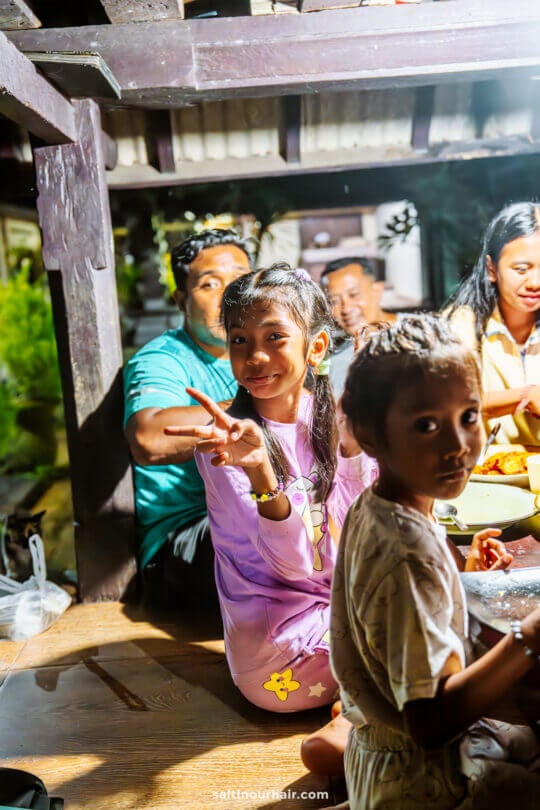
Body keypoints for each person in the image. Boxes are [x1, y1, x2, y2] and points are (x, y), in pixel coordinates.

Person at [329, 314, 540, 809]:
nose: (457, 445)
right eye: (426, 425)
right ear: (369, 433)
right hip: (425, 784)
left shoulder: (378, 505)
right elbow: (429, 722)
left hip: (381, 761)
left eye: (469, 416)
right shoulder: (408, 551)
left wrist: (458, 580)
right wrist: (528, 638)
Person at [164, 264, 377, 714]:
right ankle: (360, 724)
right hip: (282, 658)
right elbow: (295, 565)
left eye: (273, 337)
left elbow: (364, 533)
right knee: (430, 633)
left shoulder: (331, 414)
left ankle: (359, 718)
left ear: (316, 346)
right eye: (240, 340)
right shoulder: (225, 447)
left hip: (338, 614)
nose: (255, 356)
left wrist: (355, 442)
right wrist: (261, 470)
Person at [123, 228, 255, 608]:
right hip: (183, 540)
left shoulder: (265, 356)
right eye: (210, 284)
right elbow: (148, 437)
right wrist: (258, 408)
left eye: (240, 281)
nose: (230, 296)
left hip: (259, 514)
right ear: (181, 299)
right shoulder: (162, 359)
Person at [446, 202, 540, 447]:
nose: (535, 282)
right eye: (521, 270)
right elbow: (446, 403)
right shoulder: (460, 326)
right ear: (491, 269)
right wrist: (525, 396)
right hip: (487, 475)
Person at [320, 258, 396, 395]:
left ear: (377, 291)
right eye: (334, 301)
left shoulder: (423, 332)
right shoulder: (335, 365)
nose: (346, 309)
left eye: (353, 295)